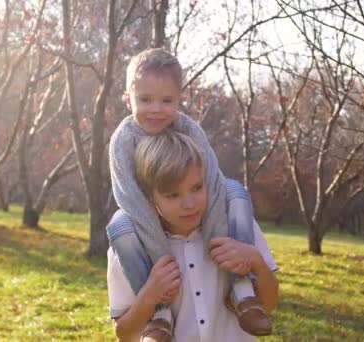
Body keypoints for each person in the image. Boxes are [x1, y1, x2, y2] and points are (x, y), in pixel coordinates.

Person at [106, 48, 272, 341]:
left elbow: (212, 176)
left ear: (179, 99)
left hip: (220, 231)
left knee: (234, 189)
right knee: (120, 223)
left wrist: (243, 253)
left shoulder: (190, 132)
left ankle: (241, 289)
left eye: (166, 100)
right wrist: (153, 285)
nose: (156, 109)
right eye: (146, 100)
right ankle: (160, 314)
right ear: (127, 98)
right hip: (144, 219)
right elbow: (129, 195)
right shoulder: (122, 142)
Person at [107, 131, 279, 341]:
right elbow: (124, 334)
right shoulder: (131, 247)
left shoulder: (236, 227)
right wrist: (148, 297)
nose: (190, 204)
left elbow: (269, 305)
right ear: (150, 198)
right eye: (173, 195)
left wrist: (256, 261)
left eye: (197, 188)